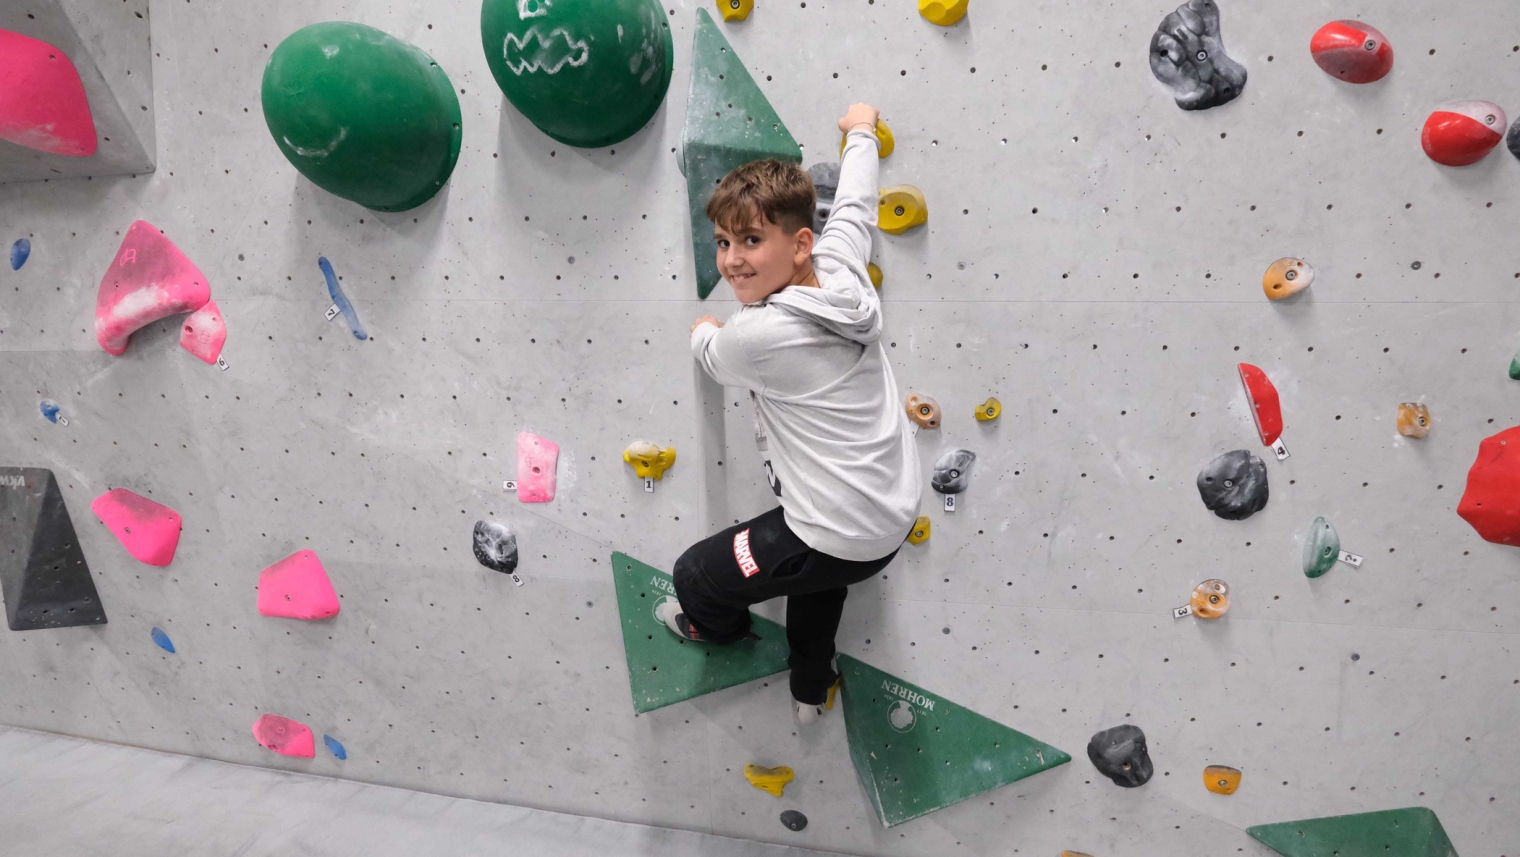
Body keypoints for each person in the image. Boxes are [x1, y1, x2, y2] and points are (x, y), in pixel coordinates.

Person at [656, 103, 922, 724]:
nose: (731, 261)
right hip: (888, 514)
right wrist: (860, 132)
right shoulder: (842, 270)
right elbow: (853, 208)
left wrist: (701, 329)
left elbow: (714, 357)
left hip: (839, 533)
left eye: (751, 241)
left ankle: (713, 630)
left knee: (697, 573)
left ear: (800, 244)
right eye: (724, 242)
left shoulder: (758, 335)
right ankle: (812, 684)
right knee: (814, 577)